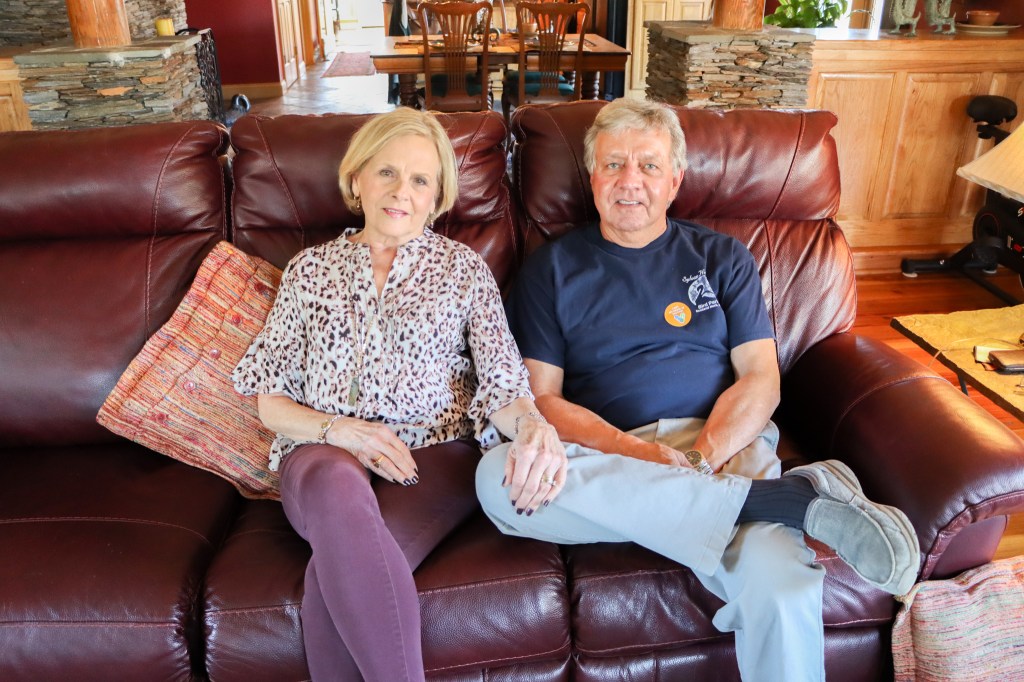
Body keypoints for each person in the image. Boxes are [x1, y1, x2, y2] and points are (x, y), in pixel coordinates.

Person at [475, 98, 920, 681]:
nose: (629, 181)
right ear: (592, 175)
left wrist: (699, 459)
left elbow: (761, 378)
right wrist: (637, 453)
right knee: (499, 479)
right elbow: (544, 400)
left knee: (783, 591)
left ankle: (725, 503)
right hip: (607, 453)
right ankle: (783, 501)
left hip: (722, 447)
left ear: (676, 179)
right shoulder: (550, 270)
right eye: (613, 165)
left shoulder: (722, 257)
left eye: (648, 165)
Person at [232, 107, 564, 682]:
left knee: (335, 578)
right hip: (324, 451)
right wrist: (342, 431)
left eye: (420, 179)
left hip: (434, 454)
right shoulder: (309, 271)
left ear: (437, 197)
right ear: (357, 178)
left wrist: (534, 425)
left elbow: (504, 385)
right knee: (336, 487)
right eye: (386, 172)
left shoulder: (464, 270)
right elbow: (269, 399)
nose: (401, 192)